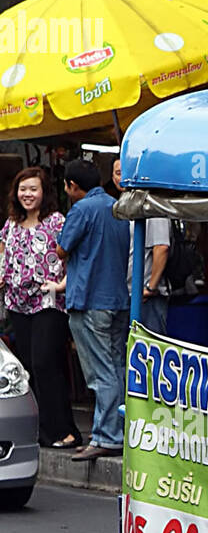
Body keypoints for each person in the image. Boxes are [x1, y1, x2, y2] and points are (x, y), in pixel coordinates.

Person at [0, 167, 80, 448]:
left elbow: (76, 257)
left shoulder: (56, 222)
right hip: (17, 304)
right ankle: (42, 431)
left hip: (48, 302)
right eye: (23, 189)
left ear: (44, 192)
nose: (27, 195)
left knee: (47, 363)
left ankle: (66, 431)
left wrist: (62, 284)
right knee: (28, 367)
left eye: (33, 189)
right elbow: (3, 253)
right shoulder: (11, 223)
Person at [57, 159, 130, 461]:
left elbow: (62, 248)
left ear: (73, 186)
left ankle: (106, 436)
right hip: (117, 298)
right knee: (116, 368)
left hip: (89, 299)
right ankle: (115, 430)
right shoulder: (118, 207)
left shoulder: (82, 209)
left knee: (101, 374)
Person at [113, 157, 170, 335]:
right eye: (117, 173)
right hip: (128, 294)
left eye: (125, 172)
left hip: (147, 297)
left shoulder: (151, 205)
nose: (121, 177)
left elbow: (161, 247)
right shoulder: (123, 206)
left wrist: (150, 288)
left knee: (149, 351)